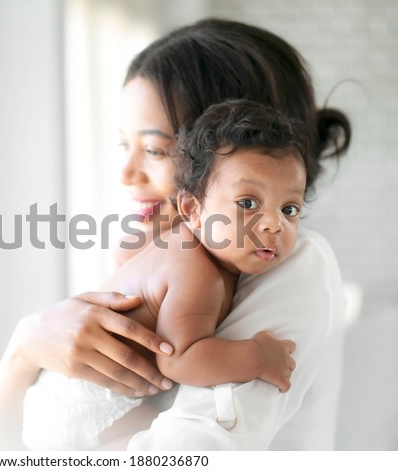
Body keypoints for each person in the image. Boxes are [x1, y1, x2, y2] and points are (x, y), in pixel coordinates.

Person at [0, 18, 351, 450]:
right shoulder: (172, 255)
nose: (127, 174)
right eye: (123, 145)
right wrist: (24, 349)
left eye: (153, 150)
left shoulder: (292, 262)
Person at [22, 99, 305, 450]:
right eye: (247, 203)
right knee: (154, 444)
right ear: (192, 209)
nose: (274, 224)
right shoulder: (197, 272)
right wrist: (258, 356)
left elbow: (125, 251)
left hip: (57, 391)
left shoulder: (185, 244)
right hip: (78, 408)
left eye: (290, 209)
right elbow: (180, 359)